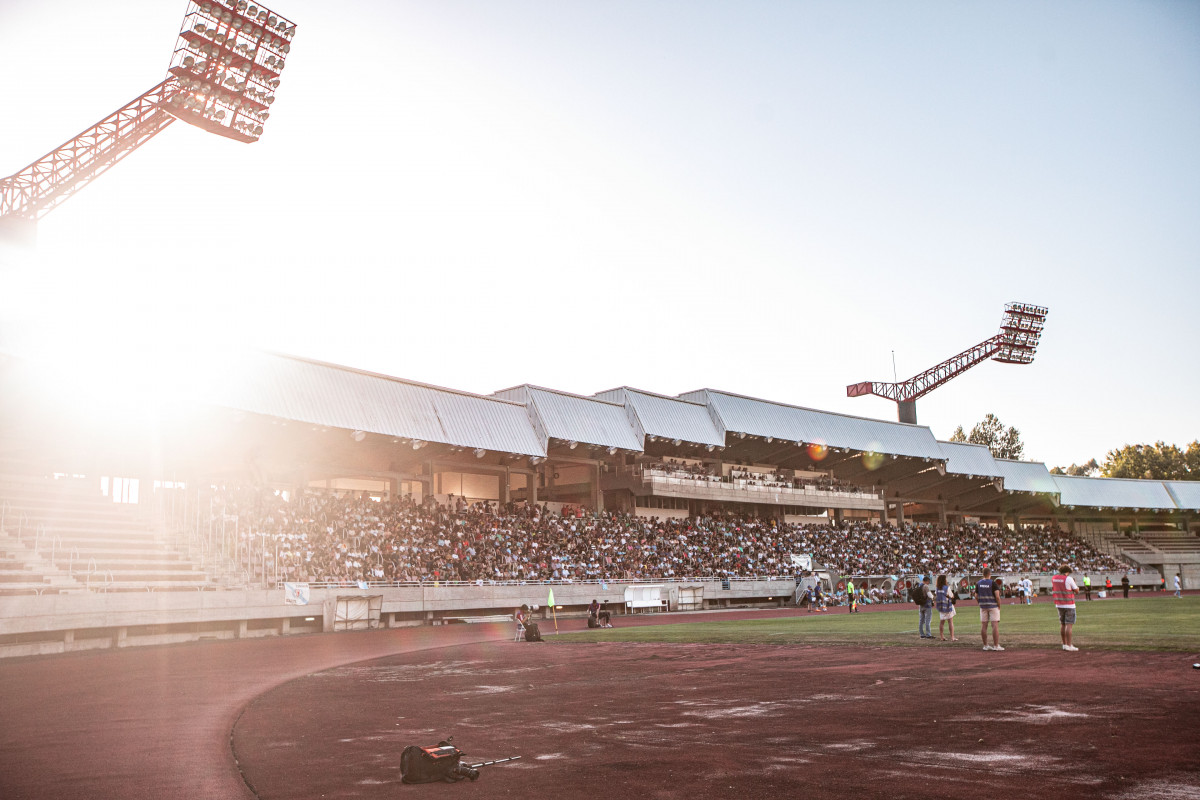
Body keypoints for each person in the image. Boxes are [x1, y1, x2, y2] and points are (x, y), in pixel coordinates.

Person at [1051, 565, 1080, 651]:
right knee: (1069, 625)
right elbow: (1076, 590)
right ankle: (1069, 645)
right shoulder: (1068, 578)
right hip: (1069, 604)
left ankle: (1064, 644)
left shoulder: (1054, 578)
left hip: (1059, 604)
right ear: (1067, 572)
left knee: (1062, 624)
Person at [975, 568, 1004, 651]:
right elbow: (997, 597)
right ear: (989, 574)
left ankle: (985, 645)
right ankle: (996, 645)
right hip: (993, 606)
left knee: (984, 625)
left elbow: (976, 596)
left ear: (983, 574)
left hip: (983, 606)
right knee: (994, 625)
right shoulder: (993, 583)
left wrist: (979, 603)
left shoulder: (979, 583)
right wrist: (999, 606)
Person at [935, 574, 957, 641]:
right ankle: (952, 637)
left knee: (942, 622)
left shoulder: (937, 588)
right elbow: (951, 596)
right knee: (950, 621)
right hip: (947, 605)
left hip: (941, 606)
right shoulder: (946, 587)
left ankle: (942, 637)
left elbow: (937, 595)